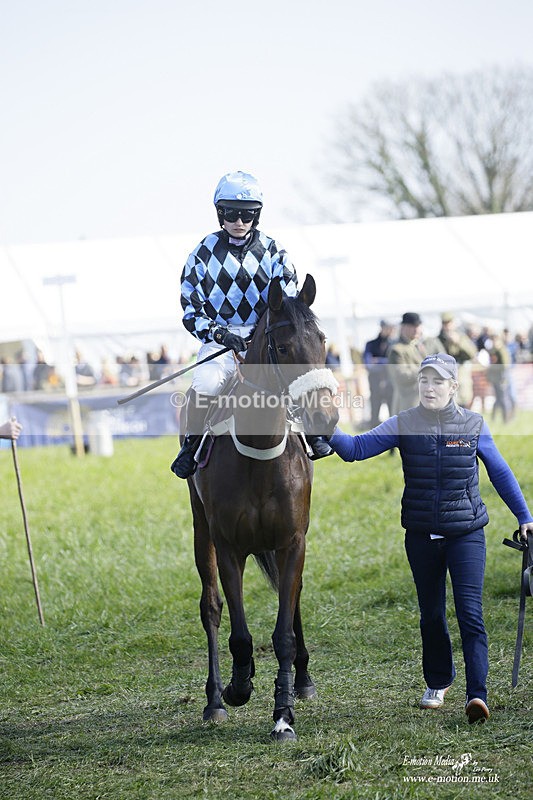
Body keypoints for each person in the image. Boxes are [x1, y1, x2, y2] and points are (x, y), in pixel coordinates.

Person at [327, 353, 533, 724]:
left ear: (453, 386)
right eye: (424, 380)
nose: (429, 387)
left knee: (470, 613)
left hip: (466, 533)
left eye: (438, 381)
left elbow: (499, 471)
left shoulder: (472, 424)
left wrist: (525, 517)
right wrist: (323, 424)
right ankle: (438, 681)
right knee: (432, 615)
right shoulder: (404, 422)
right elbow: (355, 450)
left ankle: (477, 695)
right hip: (421, 535)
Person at [171, 170, 331, 479]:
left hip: (266, 336)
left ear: (256, 215)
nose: (239, 221)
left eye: (247, 214)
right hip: (220, 341)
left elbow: (288, 305)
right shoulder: (202, 253)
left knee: (294, 373)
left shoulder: (273, 251)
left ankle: (312, 434)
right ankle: (191, 446)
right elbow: (191, 311)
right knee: (206, 382)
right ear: (220, 213)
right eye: (231, 213)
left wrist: (264, 331)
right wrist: (220, 334)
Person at [426, 312, 478, 408]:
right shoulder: (438, 340)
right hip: (445, 382)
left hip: (461, 380)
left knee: (463, 408)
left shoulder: (461, 337)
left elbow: (472, 354)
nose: (447, 326)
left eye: (449, 323)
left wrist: (459, 342)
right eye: (445, 323)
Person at [387, 312, 426, 415]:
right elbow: (400, 375)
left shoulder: (420, 346)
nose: (416, 329)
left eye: (418, 326)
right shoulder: (396, 350)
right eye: (412, 326)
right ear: (403, 327)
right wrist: (425, 371)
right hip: (407, 403)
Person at [363, 319, 395, 427]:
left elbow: (394, 363)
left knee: (393, 414)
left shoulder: (394, 344)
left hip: (390, 383)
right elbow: (368, 365)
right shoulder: (371, 344)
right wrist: (386, 363)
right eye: (389, 328)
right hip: (375, 383)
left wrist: (378, 361)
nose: (391, 331)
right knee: (374, 415)